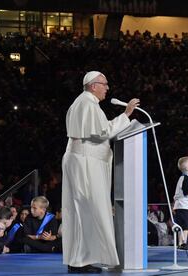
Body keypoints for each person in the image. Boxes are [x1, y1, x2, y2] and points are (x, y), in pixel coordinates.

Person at [62, 71, 140, 273]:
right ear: (93, 85)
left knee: (83, 211)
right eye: (104, 84)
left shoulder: (83, 103)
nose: (107, 88)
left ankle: (79, 259)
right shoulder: (87, 104)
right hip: (85, 162)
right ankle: (80, 261)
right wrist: (126, 115)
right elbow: (102, 132)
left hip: (82, 159)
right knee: (89, 210)